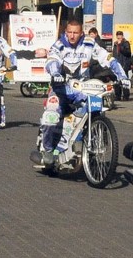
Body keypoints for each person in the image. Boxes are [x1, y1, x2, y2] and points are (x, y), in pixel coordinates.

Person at [32, 20, 130, 166]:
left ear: (81, 33)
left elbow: (108, 58)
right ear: (66, 32)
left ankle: (87, 140)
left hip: (82, 88)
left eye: (75, 33)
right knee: (50, 116)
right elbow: (52, 60)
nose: (72, 36)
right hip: (60, 89)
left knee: (96, 108)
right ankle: (47, 150)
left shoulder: (90, 44)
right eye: (69, 32)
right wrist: (55, 73)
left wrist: (123, 77)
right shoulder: (59, 45)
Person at [113, 30, 131, 101]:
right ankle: (118, 95)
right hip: (117, 64)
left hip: (123, 64)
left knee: (125, 81)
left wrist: (120, 46)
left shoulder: (126, 43)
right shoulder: (115, 44)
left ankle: (126, 96)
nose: (119, 38)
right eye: (118, 36)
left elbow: (128, 53)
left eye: (120, 36)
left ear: (122, 36)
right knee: (117, 80)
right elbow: (114, 53)